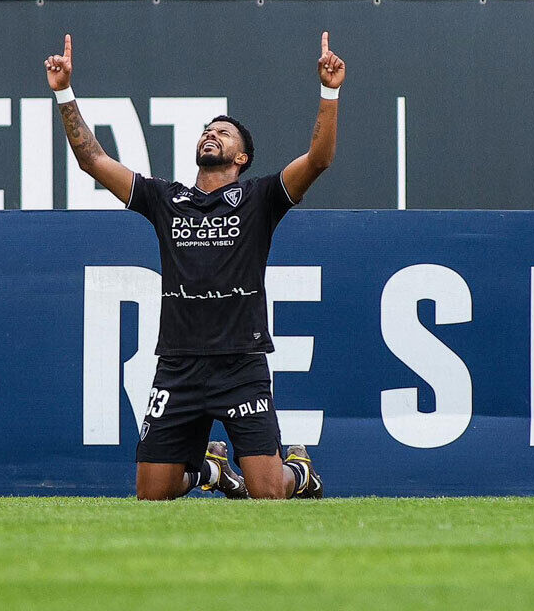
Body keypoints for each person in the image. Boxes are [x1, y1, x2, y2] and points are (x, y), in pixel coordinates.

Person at [44, 32, 343, 499]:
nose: (211, 133)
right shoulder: (166, 199)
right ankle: (208, 472)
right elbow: (92, 159)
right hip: (179, 365)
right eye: (208, 129)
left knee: (268, 494)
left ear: (241, 157)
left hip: (239, 363)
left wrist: (329, 91)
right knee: (151, 495)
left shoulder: (260, 197)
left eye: (223, 132)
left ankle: (299, 472)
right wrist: (64, 92)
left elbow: (320, 159)